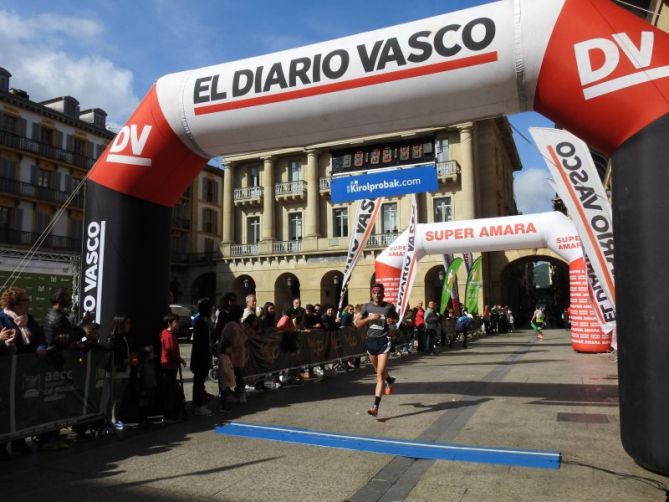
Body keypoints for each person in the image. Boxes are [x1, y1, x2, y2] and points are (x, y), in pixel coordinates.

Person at [0, 288, 45, 455]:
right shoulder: (2, 318)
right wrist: (5, 343)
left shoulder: (29, 319)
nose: (29, 302)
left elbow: (40, 338)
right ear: (16, 304)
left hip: (25, 370)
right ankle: (2, 446)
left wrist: (40, 348)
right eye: (26, 300)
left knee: (21, 407)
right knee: (5, 408)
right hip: (6, 371)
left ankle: (19, 441)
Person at [354, 283, 398, 417]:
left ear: (383, 293)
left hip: (384, 341)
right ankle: (389, 380)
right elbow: (357, 324)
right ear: (371, 293)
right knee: (379, 371)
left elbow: (395, 319)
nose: (377, 294)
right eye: (374, 292)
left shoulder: (389, 306)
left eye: (379, 292)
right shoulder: (366, 307)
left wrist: (392, 322)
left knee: (379, 374)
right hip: (370, 341)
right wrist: (369, 318)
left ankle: (375, 407)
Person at [160, 313, 187, 421]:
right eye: (176, 322)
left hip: (170, 365)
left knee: (172, 388)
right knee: (170, 389)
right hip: (169, 365)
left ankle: (172, 411)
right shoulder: (168, 335)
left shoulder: (169, 334)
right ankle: (169, 413)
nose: (178, 324)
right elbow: (170, 351)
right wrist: (180, 359)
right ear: (169, 323)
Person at [190, 299, 213, 416]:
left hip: (201, 356)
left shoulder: (204, 321)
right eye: (211, 309)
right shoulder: (201, 323)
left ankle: (198, 404)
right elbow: (202, 343)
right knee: (199, 381)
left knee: (199, 381)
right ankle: (199, 405)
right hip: (200, 357)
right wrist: (208, 357)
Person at [221, 304, 247, 403]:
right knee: (234, 376)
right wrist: (244, 336)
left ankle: (239, 394)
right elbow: (235, 341)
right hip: (232, 355)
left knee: (238, 375)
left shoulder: (236, 324)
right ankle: (237, 395)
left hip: (237, 355)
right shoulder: (233, 325)